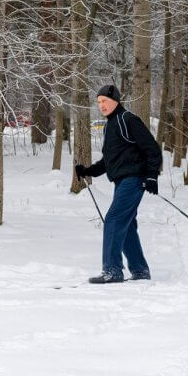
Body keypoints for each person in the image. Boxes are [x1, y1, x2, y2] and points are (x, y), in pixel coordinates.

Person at [74, 85, 162, 284]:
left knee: (113, 220)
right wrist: (88, 171)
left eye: (105, 100)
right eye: (99, 102)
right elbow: (109, 160)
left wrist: (152, 176)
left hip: (134, 179)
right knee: (127, 225)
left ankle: (112, 270)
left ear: (115, 100)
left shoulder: (128, 120)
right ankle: (140, 270)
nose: (102, 105)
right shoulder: (110, 125)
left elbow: (152, 148)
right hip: (122, 181)